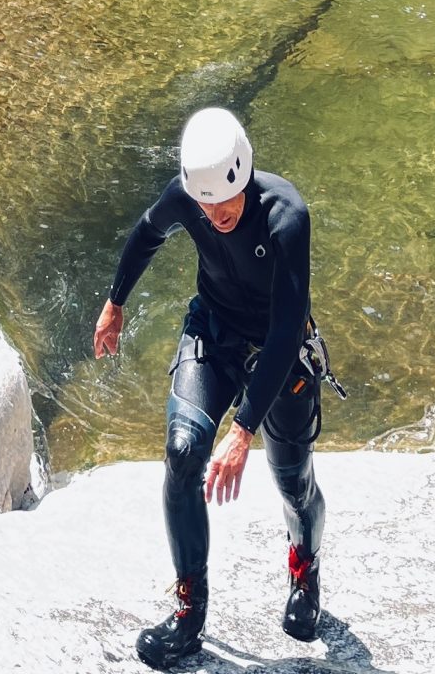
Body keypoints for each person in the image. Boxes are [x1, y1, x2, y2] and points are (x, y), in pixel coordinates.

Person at [93, 106, 326, 666]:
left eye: (224, 202)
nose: (215, 215)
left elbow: (287, 329)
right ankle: (188, 612)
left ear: (243, 174)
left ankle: (304, 568)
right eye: (205, 204)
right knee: (182, 452)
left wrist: (243, 431)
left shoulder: (286, 215)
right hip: (213, 333)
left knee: (293, 483)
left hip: (279, 351)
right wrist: (115, 303)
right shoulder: (189, 196)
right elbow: (147, 232)